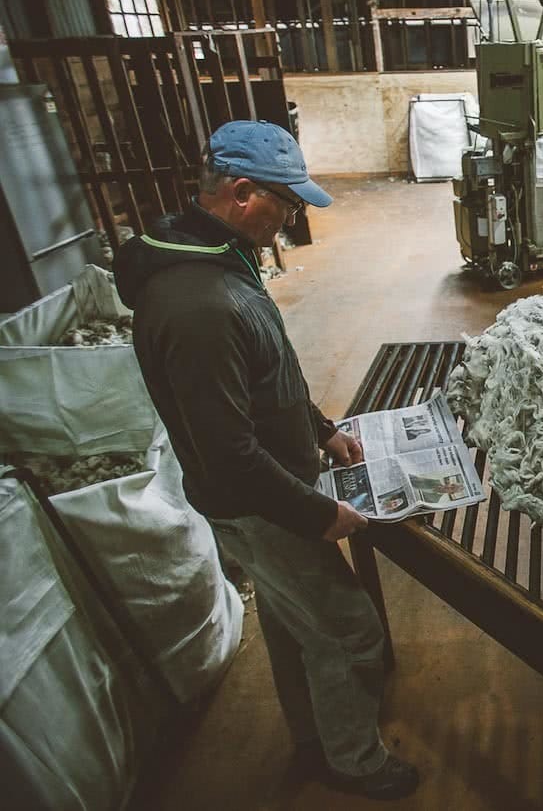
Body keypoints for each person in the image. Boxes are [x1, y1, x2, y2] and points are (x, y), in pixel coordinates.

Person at [113, 120, 419, 801]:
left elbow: (264, 373)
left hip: (276, 482)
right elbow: (228, 456)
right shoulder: (196, 305)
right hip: (261, 505)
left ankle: (312, 734)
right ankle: (352, 760)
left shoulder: (218, 255)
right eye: (288, 202)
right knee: (348, 630)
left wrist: (319, 428)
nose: (293, 218)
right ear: (242, 191)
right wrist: (319, 513)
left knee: (291, 621)